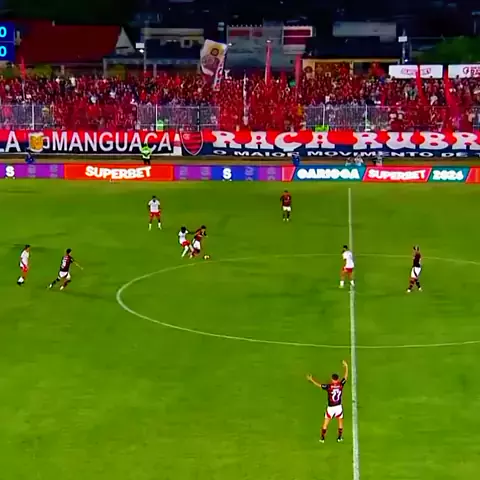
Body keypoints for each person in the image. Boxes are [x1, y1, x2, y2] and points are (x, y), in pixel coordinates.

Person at [307, 360, 349, 443]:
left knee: (326, 422)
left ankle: (322, 438)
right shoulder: (340, 384)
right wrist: (346, 367)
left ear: (332, 379)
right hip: (338, 406)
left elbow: (319, 385)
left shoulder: (329, 386)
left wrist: (311, 380)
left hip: (331, 407)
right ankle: (339, 438)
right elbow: (345, 377)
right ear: (337, 379)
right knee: (340, 421)